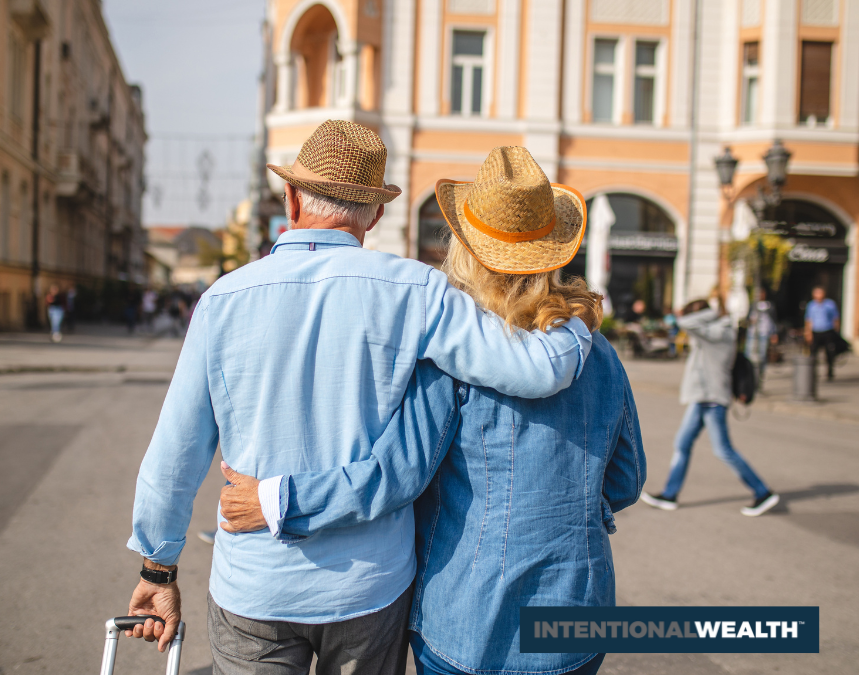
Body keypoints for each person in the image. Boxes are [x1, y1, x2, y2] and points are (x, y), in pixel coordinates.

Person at [123, 124, 592, 673]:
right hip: (369, 585)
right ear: (374, 214)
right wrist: (578, 320)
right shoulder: (417, 290)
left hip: (256, 585)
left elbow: (174, 453)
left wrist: (159, 569)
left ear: (292, 198)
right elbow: (535, 371)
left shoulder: (222, 299)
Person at [219, 146, 645, 675]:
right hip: (577, 611)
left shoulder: (454, 355)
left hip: (468, 616)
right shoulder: (595, 350)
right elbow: (626, 480)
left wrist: (278, 500)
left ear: (464, 247)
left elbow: (395, 477)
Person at [640, 297, 779, 517]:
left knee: (723, 450)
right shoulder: (710, 332)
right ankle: (670, 494)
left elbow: (686, 322)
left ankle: (763, 492)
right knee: (682, 444)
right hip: (701, 398)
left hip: (712, 399)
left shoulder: (720, 333)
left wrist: (710, 312)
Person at [804, 285, 840, 380]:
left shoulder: (830, 304)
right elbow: (808, 320)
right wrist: (808, 333)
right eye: (816, 293)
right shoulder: (811, 305)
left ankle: (830, 372)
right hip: (816, 331)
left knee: (829, 352)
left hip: (827, 330)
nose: (818, 295)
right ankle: (812, 372)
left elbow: (835, 318)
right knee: (813, 353)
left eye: (820, 293)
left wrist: (836, 331)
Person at [746, 288, 777, 382]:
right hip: (752, 334)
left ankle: (760, 375)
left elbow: (774, 320)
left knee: (762, 356)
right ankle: (750, 376)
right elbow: (747, 319)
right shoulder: (753, 305)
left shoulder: (769, 305)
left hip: (764, 334)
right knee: (749, 355)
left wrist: (774, 334)